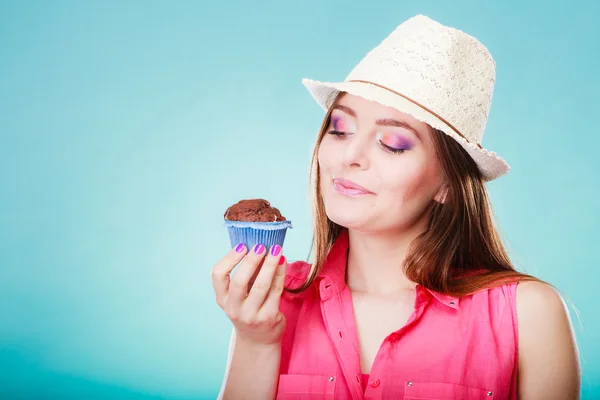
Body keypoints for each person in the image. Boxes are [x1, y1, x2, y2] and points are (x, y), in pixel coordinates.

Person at [211, 15, 581, 399]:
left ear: (447, 185)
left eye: (392, 143)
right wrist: (256, 342)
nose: (349, 155)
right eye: (339, 129)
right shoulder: (271, 304)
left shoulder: (529, 315)